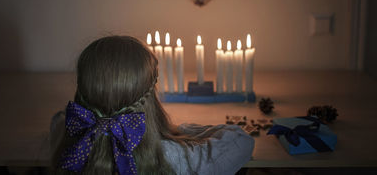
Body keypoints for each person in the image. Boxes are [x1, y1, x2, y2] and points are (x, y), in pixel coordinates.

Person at [50, 35, 254, 175]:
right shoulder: (172, 157)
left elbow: (58, 120)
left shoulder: (67, 140)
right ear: (149, 101)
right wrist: (176, 130)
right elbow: (241, 140)